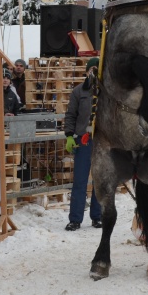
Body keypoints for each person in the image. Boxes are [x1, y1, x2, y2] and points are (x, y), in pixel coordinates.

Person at [64, 57, 102, 231]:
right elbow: (71, 114)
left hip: (103, 141)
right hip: (84, 139)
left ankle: (98, 216)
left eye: (97, 69)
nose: (93, 72)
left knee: (100, 181)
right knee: (80, 180)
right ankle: (75, 219)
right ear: (86, 71)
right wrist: (69, 135)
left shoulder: (106, 92)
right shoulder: (79, 91)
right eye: (91, 69)